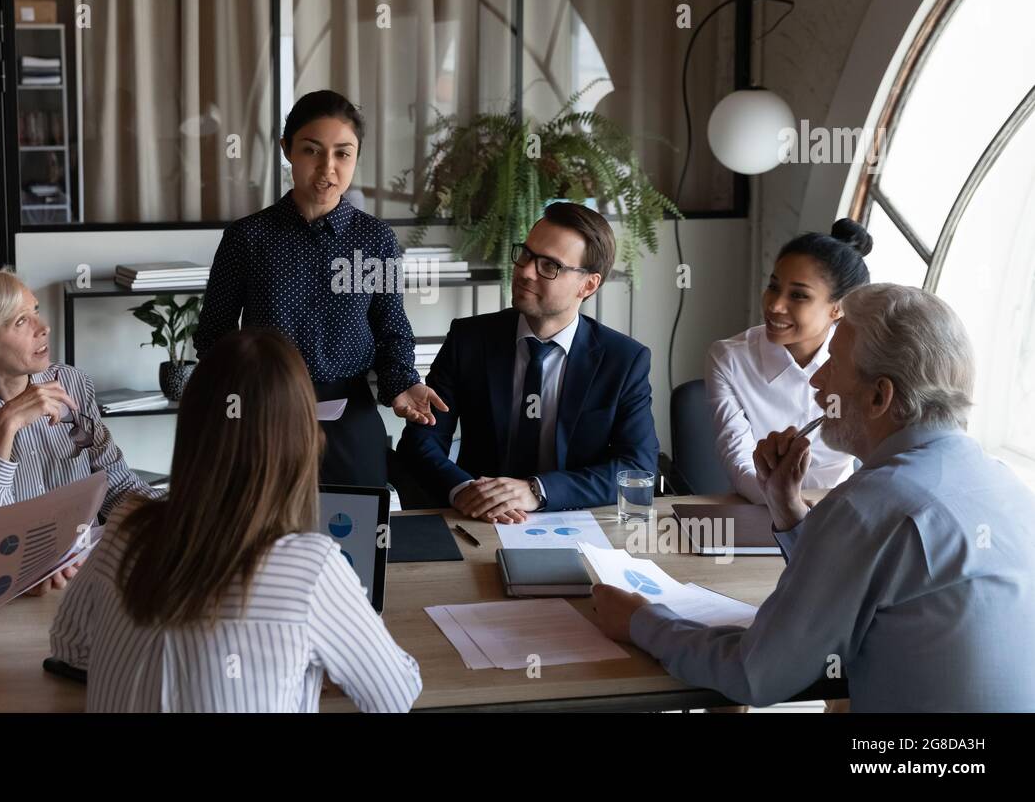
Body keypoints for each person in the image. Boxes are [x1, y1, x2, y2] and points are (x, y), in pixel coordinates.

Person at [593, 284, 1035, 712]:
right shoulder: (1007, 486)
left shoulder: (869, 505)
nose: (817, 381)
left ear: (880, 396)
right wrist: (788, 508)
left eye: (834, 364)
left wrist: (639, 620)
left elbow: (757, 675)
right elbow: (860, 582)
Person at [50, 327, 422, 712]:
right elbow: (393, 696)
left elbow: (70, 646)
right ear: (304, 436)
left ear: (193, 426)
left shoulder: (127, 526)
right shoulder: (311, 567)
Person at [193, 89, 445, 489]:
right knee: (265, 536)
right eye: (312, 150)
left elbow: (391, 326)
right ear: (287, 149)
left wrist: (401, 383)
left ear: (356, 157)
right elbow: (215, 334)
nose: (328, 168)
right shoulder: (248, 237)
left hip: (349, 412)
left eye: (343, 154)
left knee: (358, 531)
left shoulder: (375, 239)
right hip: (266, 411)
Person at [397, 203, 659, 521]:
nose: (525, 271)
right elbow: (420, 443)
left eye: (549, 265)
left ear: (588, 284)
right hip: (478, 520)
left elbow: (637, 467)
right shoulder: (470, 339)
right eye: (526, 254)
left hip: (576, 521)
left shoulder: (623, 360)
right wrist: (464, 489)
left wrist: (538, 490)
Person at [0, 269, 156, 579]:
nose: (44, 328)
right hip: (12, 583)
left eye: (36, 311)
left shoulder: (71, 381)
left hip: (86, 573)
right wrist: (6, 423)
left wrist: (170, 518)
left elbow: (116, 482)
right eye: (21, 321)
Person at [705, 219, 872, 502]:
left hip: (843, 509)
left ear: (838, 308)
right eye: (773, 286)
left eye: (798, 295)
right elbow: (740, 461)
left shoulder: (864, 361)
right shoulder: (730, 359)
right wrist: (786, 502)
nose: (774, 305)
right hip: (762, 512)